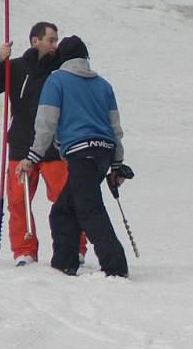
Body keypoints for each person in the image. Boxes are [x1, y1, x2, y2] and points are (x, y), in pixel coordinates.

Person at [16, 36, 130, 278]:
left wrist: (32, 157)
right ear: (85, 57)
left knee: (89, 209)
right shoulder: (103, 85)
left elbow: (46, 121)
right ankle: (64, 263)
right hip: (103, 155)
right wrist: (117, 164)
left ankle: (115, 267)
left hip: (80, 153)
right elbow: (115, 127)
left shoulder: (56, 80)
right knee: (63, 211)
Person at [0, 22, 87, 267]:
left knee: (66, 198)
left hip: (54, 147)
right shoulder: (15, 68)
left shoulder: (61, 71)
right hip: (21, 144)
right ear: (35, 41)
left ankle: (75, 247)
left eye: (56, 40)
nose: (55, 45)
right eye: (51, 39)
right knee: (18, 201)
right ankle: (24, 250)